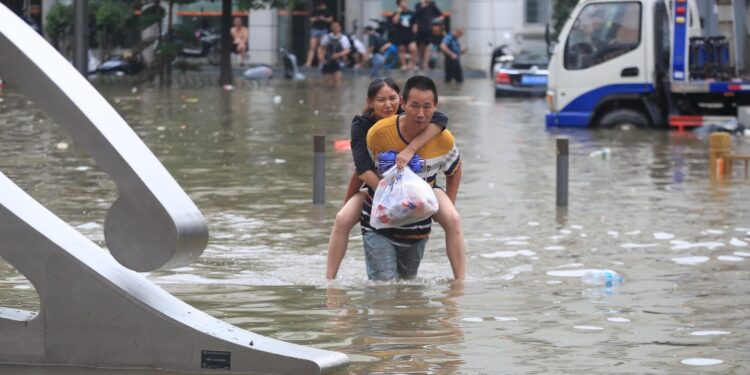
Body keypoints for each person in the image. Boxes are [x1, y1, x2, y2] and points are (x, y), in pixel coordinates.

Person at [325, 77, 466, 281]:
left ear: (399, 101)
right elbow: (361, 169)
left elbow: (441, 121)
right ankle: (330, 280)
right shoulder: (367, 128)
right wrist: (388, 193)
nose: (388, 105)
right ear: (370, 102)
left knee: (453, 219)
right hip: (378, 186)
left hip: (424, 186)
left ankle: (460, 282)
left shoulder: (423, 121)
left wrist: (411, 149)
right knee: (342, 219)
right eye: (381, 100)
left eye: (392, 98)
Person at [318, 22, 351, 87]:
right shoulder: (326, 37)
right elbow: (321, 47)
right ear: (331, 28)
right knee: (327, 82)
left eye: (337, 26)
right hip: (327, 61)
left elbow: (347, 50)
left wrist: (338, 55)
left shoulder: (343, 38)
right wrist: (320, 57)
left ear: (340, 28)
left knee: (337, 81)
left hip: (338, 61)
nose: (335, 28)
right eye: (333, 26)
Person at [414, 0, 444, 70]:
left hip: (429, 29)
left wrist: (435, 21)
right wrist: (423, 6)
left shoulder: (432, 4)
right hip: (420, 29)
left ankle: (425, 63)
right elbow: (415, 15)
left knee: (428, 46)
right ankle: (420, 62)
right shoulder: (418, 5)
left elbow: (440, 14)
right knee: (420, 46)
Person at [390, 0, 418, 71]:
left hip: (410, 34)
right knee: (401, 50)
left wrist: (415, 34)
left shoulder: (411, 13)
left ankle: (412, 64)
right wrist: (398, 12)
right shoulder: (396, 13)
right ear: (399, 4)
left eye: (405, 2)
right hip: (400, 34)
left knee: (413, 49)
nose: (405, 3)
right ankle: (404, 65)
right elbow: (395, 21)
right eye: (402, 2)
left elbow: (415, 24)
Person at [304, 2, 334, 67]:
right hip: (315, 29)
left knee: (322, 47)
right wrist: (317, 18)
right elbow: (311, 19)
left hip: (323, 29)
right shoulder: (315, 11)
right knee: (312, 47)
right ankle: (308, 62)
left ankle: (321, 62)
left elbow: (330, 19)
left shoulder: (327, 11)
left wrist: (323, 18)